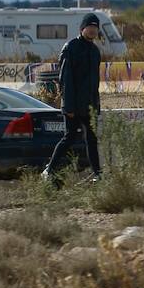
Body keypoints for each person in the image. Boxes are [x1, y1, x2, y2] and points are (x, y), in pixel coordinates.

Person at [41, 13, 103, 187]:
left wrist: (95, 107)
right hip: (73, 105)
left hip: (89, 105)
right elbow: (65, 79)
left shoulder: (95, 51)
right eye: (89, 27)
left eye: (95, 27)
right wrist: (68, 105)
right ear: (82, 28)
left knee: (91, 140)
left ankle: (98, 174)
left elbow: (94, 83)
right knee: (69, 138)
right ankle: (49, 170)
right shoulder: (71, 47)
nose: (92, 30)